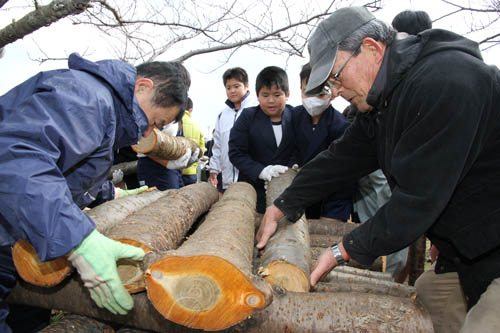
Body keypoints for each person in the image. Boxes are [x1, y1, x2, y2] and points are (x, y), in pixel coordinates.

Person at [256, 6, 500, 332]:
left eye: (337, 77)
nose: (337, 91)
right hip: (468, 252)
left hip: (491, 244)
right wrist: (284, 203)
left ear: (371, 49)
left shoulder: (446, 83)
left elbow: (417, 199)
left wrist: (342, 250)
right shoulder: (384, 99)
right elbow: (342, 157)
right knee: (428, 298)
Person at [0, 53, 190, 332]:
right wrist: (80, 240)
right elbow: (19, 161)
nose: (150, 131)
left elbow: (69, 170)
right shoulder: (88, 99)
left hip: (18, 228)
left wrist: (110, 194)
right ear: (143, 87)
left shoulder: (104, 109)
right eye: (156, 122)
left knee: (28, 318)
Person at [343, 104, 408, 281]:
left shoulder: (382, 160)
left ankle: (390, 280)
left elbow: (390, 207)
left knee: (393, 258)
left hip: (389, 226)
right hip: (366, 219)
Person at [292, 63, 354, 222]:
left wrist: (332, 214)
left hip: (331, 199)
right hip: (298, 194)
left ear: (332, 93)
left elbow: (344, 176)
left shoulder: (341, 126)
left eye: (320, 93)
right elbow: (285, 152)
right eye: (308, 91)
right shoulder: (293, 117)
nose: (313, 99)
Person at [228, 66, 295, 213]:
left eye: (277, 95)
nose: (271, 101)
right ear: (257, 96)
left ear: (287, 94)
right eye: (265, 95)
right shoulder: (247, 117)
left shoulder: (296, 116)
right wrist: (262, 171)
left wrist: (291, 169)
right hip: (253, 192)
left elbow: (302, 149)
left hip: (288, 194)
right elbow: (236, 152)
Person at [209, 67, 257, 196]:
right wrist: (214, 168)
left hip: (251, 178)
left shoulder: (256, 108)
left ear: (247, 85)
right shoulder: (222, 115)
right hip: (227, 177)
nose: (232, 91)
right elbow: (217, 144)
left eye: (236, 86)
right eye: (228, 87)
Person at [136, 120, 190, 191]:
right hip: (153, 165)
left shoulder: (177, 116)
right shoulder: (155, 114)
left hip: (172, 167)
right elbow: (142, 143)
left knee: (178, 196)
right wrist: (167, 163)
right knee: (167, 198)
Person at [180, 97, 204, 185]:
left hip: (174, 171)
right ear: (191, 110)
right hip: (191, 172)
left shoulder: (174, 123)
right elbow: (201, 151)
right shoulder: (197, 126)